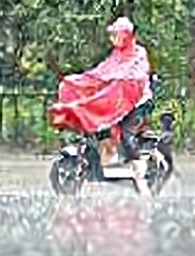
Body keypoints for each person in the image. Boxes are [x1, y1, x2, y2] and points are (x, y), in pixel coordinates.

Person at [49, 17, 155, 194]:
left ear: (126, 35)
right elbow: (102, 73)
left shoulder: (138, 54)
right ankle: (107, 159)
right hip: (117, 101)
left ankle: (140, 176)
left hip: (138, 103)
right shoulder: (116, 55)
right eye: (112, 35)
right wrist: (79, 81)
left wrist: (118, 83)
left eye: (116, 35)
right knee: (99, 128)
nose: (113, 39)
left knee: (126, 134)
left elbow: (133, 75)